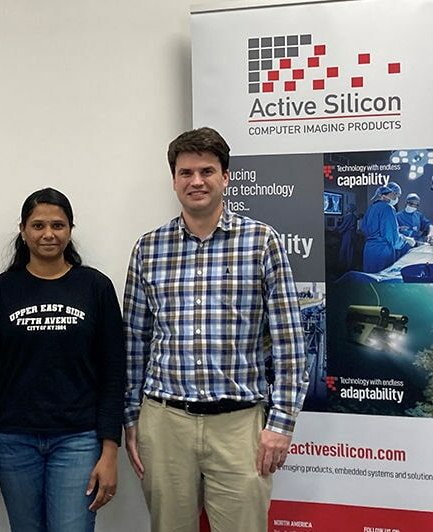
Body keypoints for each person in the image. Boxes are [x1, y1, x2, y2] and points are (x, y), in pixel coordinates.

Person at [123, 127, 308, 532]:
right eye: (186, 172)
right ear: (174, 180)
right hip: (165, 420)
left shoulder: (262, 242)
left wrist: (281, 425)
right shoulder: (148, 248)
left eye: (207, 171)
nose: (197, 181)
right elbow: (134, 341)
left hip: (240, 425)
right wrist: (132, 418)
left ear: (226, 176)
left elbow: (290, 344)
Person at [0, 187, 125, 532]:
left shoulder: (95, 288)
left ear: (70, 229)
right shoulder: (1, 291)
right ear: (23, 231)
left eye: (58, 225)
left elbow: (114, 375)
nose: (48, 234)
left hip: (79, 441)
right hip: (12, 441)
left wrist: (110, 450)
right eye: (38, 225)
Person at [361, 182, 413, 273]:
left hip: (369, 251)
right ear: (391, 193)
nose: (397, 199)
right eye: (397, 195)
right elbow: (393, 239)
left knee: (369, 282)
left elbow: (366, 228)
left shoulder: (372, 207)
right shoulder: (388, 208)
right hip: (382, 252)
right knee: (381, 282)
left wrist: (397, 229)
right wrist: (406, 239)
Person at [336, 203, 358, 271]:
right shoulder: (353, 216)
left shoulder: (348, 217)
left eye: (347, 207)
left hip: (348, 235)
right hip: (352, 235)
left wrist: (336, 229)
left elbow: (343, 226)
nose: (345, 209)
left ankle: (345, 268)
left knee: (345, 250)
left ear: (349, 209)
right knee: (350, 250)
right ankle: (349, 266)